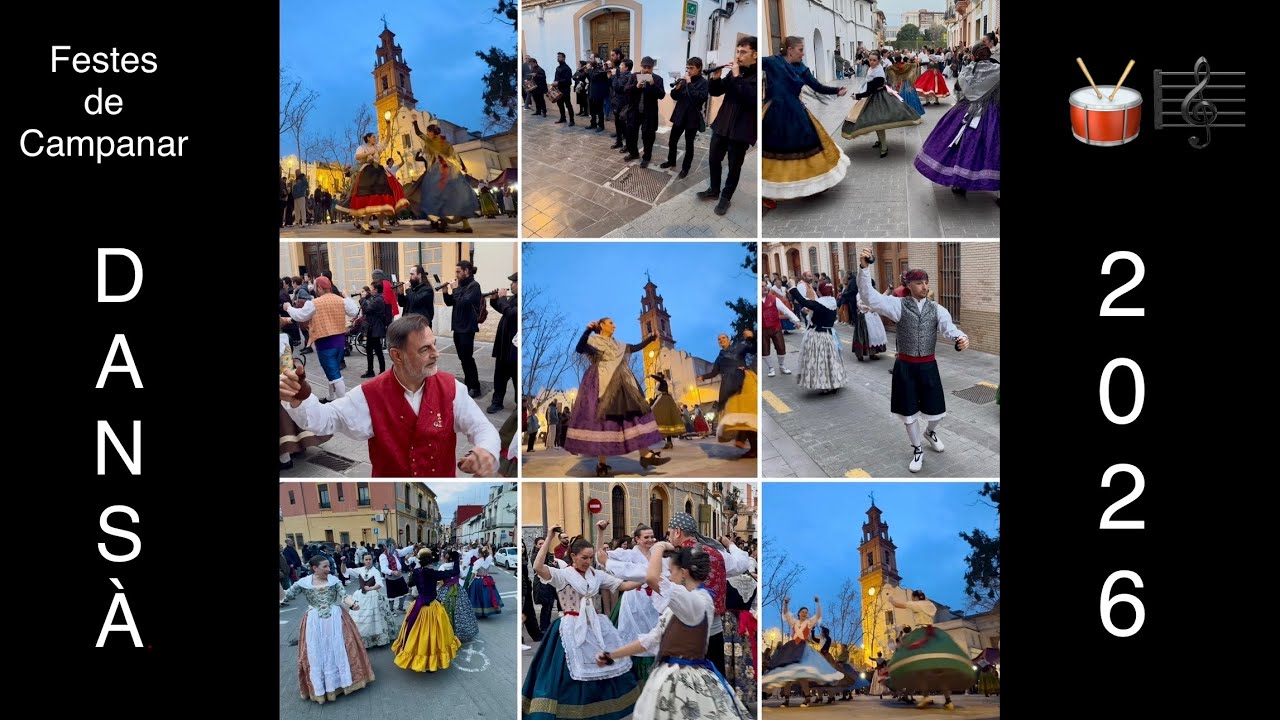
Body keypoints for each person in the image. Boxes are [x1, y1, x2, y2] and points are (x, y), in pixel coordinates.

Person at [279, 313, 500, 477]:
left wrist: (486, 450)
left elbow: (482, 427)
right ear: (397, 355)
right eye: (425, 349)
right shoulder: (369, 394)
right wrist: (302, 399)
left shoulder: (451, 388)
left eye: (434, 345)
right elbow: (325, 420)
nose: (436, 354)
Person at [597, 542, 750, 720]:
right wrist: (612, 655)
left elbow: (652, 578)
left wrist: (658, 548)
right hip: (670, 676)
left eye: (672, 571)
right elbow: (651, 641)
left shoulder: (696, 601)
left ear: (683, 573)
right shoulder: (682, 605)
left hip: (683, 680)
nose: (669, 576)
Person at [856, 248, 969, 472]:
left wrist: (961, 338)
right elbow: (869, 296)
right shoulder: (897, 305)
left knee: (937, 411)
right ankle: (917, 449)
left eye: (926, 282)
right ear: (909, 286)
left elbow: (950, 329)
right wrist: (864, 268)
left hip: (928, 366)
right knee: (908, 413)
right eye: (919, 283)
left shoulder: (937, 309)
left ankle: (930, 432)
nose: (925, 287)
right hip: (905, 367)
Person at [523, 528, 642, 720]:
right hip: (570, 626)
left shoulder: (596, 575)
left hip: (595, 625)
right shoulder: (563, 575)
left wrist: (646, 579)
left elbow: (622, 585)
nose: (588, 562)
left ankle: (600, 708)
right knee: (565, 673)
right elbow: (538, 567)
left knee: (603, 666)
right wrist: (549, 538)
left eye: (589, 558)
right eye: (584, 558)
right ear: (573, 556)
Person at [562, 318, 672, 476]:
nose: (614, 325)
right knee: (604, 421)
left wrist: (651, 338)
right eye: (610, 323)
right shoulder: (594, 341)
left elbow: (634, 347)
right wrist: (587, 330)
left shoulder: (618, 344)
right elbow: (580, 348)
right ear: (602, 325)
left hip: (623, 383)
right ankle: (602, 464)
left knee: (633, 416)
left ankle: (645, 455)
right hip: (601, 382)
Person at [762, 36, 849, 206]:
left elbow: (817, 86)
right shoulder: (773, 62)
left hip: (795, 113)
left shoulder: (802, 69)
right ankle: (766, 193)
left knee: (808, 144)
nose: (803, 54)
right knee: (770, 150)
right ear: (790, 50)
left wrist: (836, 90)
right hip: (774, 113)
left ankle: (811, 185)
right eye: (800, 50)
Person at [282, 555, 376, 703]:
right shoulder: (303, 583)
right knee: (317, 652)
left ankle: (343, 682)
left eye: (328, 566)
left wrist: (353, 604)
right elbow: (286, 597)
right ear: (314, 568)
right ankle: (323, 687)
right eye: (325, 567)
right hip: (314, 622)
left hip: (336, 619)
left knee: (340, 648)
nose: (329, 569)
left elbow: (344, 596)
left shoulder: (333, 580)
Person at [914, 43, 1000, 204]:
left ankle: (961, 183)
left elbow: (959, 89)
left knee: (962, 145)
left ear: (974, 56)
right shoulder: (998, 71)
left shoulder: (967, 70)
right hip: (992, 113)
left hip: (965, 111)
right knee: (993, 148)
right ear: (990, 55)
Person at [698, 36, 758, 216]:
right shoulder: (733, 74)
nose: (738, 56)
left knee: (734, 166)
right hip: (722, 125)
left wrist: (738, 76)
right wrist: (716, 79)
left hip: (741, 130)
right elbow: (716, 92)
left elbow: (751, 99)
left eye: (743, 52)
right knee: (714, 159)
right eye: (737, 51)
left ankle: (726, 197)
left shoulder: (759, 75)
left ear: (754, 55)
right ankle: (714, 190)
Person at [885, 588, 973, 709]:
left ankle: (925, 697)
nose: (912, 600)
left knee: (922, 670)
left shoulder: (917, 604)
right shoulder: (930, 604)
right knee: (940, 671)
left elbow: (898, 604)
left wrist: (890, 599)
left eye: (913, 598)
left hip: (921, 633)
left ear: (915, 598)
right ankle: (948, 701)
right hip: (933, 634)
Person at [761, 595, 843, 706]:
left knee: (802, 675)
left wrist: (818, 603)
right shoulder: (793, 622)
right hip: (791, 648)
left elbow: (818, 615)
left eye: (806, 612)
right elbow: (785, 613)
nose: (805, 614)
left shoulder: (808, 623)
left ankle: (807, 699)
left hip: (802, 649)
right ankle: (786, 700)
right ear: (799, 613)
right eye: (803, 612)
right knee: (787, 674)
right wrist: (786, 603)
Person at [840, 52, 923, 159]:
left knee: (878, 121)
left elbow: (871, 90)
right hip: (873, 96)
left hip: (878, 98)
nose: (871, 62)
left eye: (874, 60)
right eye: (870, 60)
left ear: (879, 61)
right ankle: (880, 142)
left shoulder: (878, 72)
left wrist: (857, 96)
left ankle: (884, 147)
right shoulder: (873, 69)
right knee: (876, 121)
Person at [392, 549, 462, 672]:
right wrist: (456, 559)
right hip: (431, 606)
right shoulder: (432, 573)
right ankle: (431, 661)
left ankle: (418, 657)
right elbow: (455, 571)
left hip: (418, 605)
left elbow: (410, 584)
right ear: (430, 561)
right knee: (433, 633)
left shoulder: (416, 572)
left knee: (416, 631)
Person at [698, 331, 758, 459]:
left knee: (748, 413)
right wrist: (703, 376)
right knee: (738, 415)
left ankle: (751, 445)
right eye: (719, 339)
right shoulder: (720, 357)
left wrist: (751, 337)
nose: (721, 340)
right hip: (730, 385)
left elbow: (753, 349)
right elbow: (714, 372)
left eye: (723, 337)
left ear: (729, 339)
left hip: (744, 381)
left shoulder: (738, 346)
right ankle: (747, 442)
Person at [335, 132, 408, 234]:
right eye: (374, 137)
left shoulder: (377, 147)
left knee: (382, 198)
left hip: (379, 173)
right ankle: (365, 225)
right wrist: (369, 154)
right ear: (368, 138)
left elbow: (387, 140)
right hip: (367, 174)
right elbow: (357, 157)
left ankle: (381, 226)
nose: (375, 138)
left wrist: (387, 125)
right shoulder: (362, 147)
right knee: (370, 199)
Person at [442, 260, 485, 398]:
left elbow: (463, 302)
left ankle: (476, 387)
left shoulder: (474, 286)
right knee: (463, 358)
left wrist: (455, 289)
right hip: (457, 327)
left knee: (468, 358)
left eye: (458, 272)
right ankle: (468, 383)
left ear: (466, 271)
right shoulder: (460, 286)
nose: (456, 274)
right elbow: (451, 302)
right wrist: (445, 292)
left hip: (467, 328)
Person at [662, 57, 709, 179]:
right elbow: (674, 97)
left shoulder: (704, 83)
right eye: (687, 68)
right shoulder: (683, 81)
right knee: (672, 140)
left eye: (691, 68)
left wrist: (688, 83)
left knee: (689, 144)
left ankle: (685, 168)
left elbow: (700, 98)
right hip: (680, 115)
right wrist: (676, 89)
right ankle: (671, 161)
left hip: (692, 118)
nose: (688, 70)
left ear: (699, 68)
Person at [626, 57, 667, 167]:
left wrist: (653, 84)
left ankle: (646, 157)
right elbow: (626, 90)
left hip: (649, 114)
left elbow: (662, 95)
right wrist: (636, 86)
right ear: (641, 66)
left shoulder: (658, 79)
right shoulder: (634, 76)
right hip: (634, 112)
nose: (647, 70)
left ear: (653, 68)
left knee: (648, 136)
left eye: (649, 67)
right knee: (631, 134)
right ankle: (633, 153)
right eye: (645, 67)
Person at [350, 552, 395, 648]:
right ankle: (363, 639)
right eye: (366, 559)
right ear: (363, 560)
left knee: (374, 617)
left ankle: (376, 639)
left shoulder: (375, 571)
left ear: (372, 560)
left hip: (373, 596)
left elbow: (379, 583)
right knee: (361, 616)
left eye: (370, 559)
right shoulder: (360, 570)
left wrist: (371, 588)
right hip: (360, 596)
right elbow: (346, 571)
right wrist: (343, 563)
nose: (368, 561)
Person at [439, 549, 480, 643]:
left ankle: (447, 632)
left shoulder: (443, 567)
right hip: (458, 590)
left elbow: (440, 580)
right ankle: (460, 632)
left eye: (442, 556)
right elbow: (463, 577)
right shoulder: (457, 566)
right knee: (461, 610)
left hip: (445, 591)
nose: (441, 558)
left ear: (446, 557)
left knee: (445, 610)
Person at [648, 373, 684, 449]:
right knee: (665, 421)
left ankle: (668, 442)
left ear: (660, 377)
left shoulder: (663, 381)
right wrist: (652, 403)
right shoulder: (659, 383)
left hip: (664, 400)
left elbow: (660, 380)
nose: (656, 378)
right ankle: (668, 442)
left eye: (657, 376)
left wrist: (651, 375)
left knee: (665, 419)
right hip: (660, 400)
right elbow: (657, 396)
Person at [468, 547, 504, 617]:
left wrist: (470, 581)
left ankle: (479, 612)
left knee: (477, 596)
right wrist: (489, 548)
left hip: (479, 581)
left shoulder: (477, 562)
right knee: (487, 595)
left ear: (480, 554)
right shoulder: (488, 560)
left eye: (478, 553)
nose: (477, 554)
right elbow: (491, 554)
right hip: (488, 579)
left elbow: (473, 573)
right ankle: (486, 611)